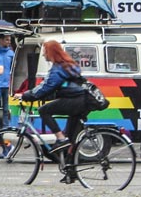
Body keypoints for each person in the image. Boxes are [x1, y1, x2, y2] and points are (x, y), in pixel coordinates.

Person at [13, 40, 87, 183]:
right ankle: (71, 173)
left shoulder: (58, 68)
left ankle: (59, 138)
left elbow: (47, 87)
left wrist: (25, 95)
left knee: (44, 110)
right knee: (70, 140)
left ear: (51, 52)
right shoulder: (66, 65)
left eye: (45, 51)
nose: (44, 54)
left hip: (76, 101)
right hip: (80, 101)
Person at [0, 34, 15, 128]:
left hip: (7, 84)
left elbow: (13, 69)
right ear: (1, 40)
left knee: (7, 108)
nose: (9, 42)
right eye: (6, 40)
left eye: (9, 40)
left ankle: (6, 128)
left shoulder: (11, 53)